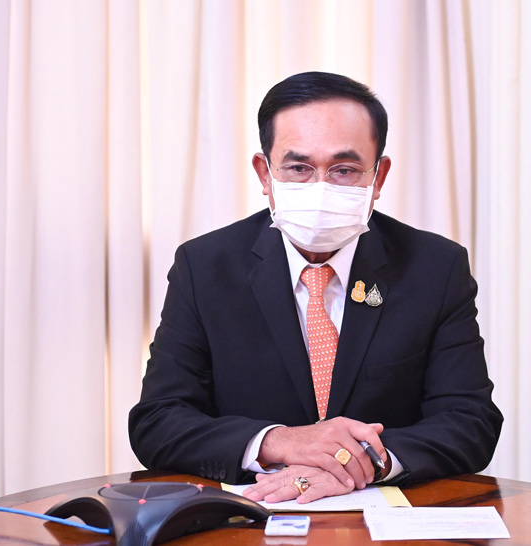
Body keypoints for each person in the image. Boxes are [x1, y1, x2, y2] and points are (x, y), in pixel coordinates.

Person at [129, 71, 502, 504]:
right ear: (265, 174)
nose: (320, 187)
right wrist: (280, 442)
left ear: (378, 177)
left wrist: (362, 461)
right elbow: (158, 421)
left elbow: (470, 420)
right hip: (251, 515)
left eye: (344, 170)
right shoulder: (205, 267)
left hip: (384, 517)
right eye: (298, 168)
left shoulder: (435, 267)